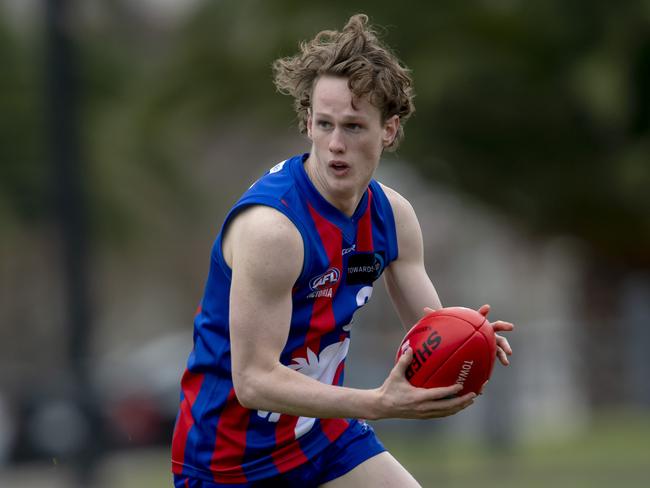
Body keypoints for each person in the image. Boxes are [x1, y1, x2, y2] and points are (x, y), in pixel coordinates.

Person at [171, 13, 514, 488]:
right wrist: (377, 402)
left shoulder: (392, 217)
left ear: (389, 130)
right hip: (231, 461)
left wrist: (468, 334)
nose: (335, 145)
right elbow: (253, 382)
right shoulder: (273, 230)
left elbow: (430, 331)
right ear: (307, 121)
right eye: (324, 124)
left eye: (353, 126)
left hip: (323, 437)